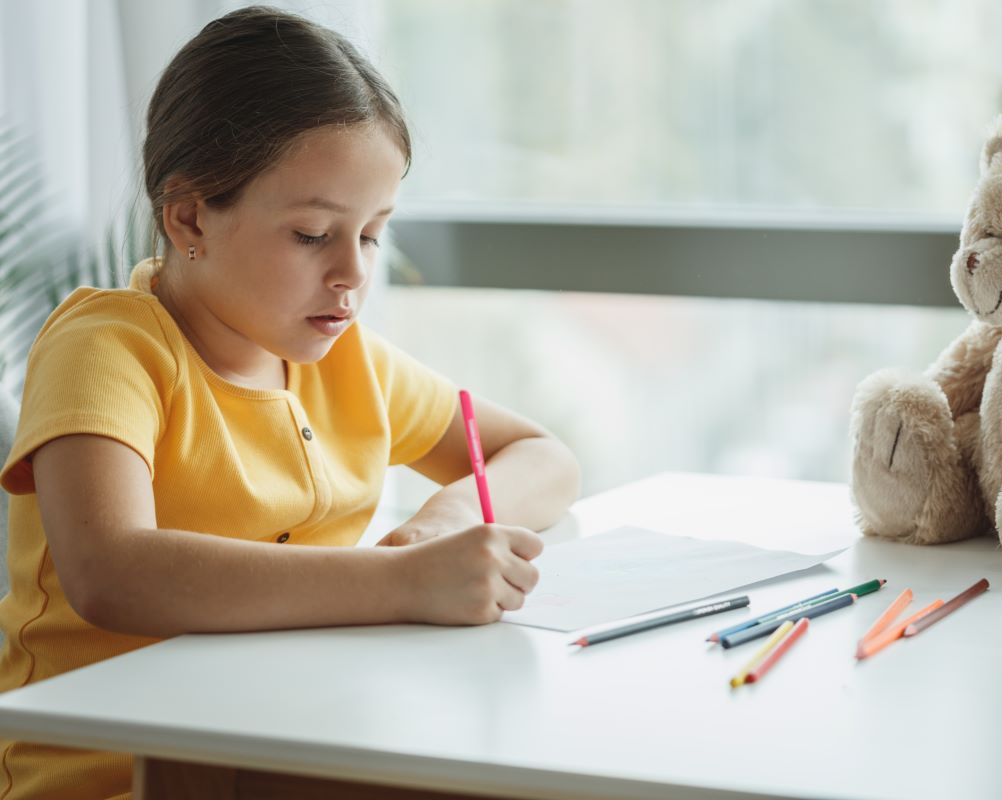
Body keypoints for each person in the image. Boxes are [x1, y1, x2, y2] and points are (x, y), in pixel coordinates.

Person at [0, 6, 580, 798]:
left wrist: (439, 525)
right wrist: (403, 583)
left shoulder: (346, 363)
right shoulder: (107, 348)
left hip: (290, 740)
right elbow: (113, 571)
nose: (351, 274)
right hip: (108, 772)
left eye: (372, 234)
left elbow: (542, 455)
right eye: (313, 235)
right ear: (190, 214)